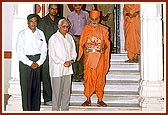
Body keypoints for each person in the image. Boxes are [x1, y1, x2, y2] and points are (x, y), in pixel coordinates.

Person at [77, 10, 110, 107]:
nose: (94, 21)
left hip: (100, 58)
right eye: (92, 19)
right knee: (88, 78)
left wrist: (104, 48)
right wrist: (84, 48)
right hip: (89, 58)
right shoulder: (86, 29)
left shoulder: (104, 29)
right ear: (90, 19)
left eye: (96, 19)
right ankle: (88, 98)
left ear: (99, 19)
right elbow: (82, 42)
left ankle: (100, 99)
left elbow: (107, 44)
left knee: (100, 79)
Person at [16, 14, 47, 111]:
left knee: (36, 89)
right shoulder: (22, 34)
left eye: (35, 21)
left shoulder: (41, 33)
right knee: (26, 89)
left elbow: (44, 50)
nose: (33, 23)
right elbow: (19, 52)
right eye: (31, 21)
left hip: (38, 62)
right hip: (25, 63)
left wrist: (39, 62)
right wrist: (30, 63)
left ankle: (35, 111)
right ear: (28, 22)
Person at [48, 18, 77, 111]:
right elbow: (53, 55)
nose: (66, 29)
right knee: (57, 93)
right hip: (57, 69)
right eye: (63, 27)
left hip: (68, 69)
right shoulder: (53, 38)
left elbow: (74, 52)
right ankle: (55, 110)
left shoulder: (69, 37)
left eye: (67, 27)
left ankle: (65, 110)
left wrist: (71, 61)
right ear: (59, 26)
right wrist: (63, 62)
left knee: (66, 92)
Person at [38, 4, 61, 105]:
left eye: (56, 9)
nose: (54, 11)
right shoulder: (43, 21)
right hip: (46, 52)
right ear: (49, 9)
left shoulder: (60, 20)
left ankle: (57, 97)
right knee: (46, 74)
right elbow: (40, 36)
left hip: (58, 52)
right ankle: (47, 98)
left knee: (57, 73)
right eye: (52, 8)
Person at [67, 4, 90, 82]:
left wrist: (84, 38)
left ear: (82, 5)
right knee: (74, 56)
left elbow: (88, 26)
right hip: (73, 38)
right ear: (73, 6)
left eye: (79, 5)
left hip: (84, 38)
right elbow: (68, 28)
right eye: (76, 5)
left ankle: (81, 75)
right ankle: (75, 75)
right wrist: (74, 38)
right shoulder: (70, 15)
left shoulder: (86, 14)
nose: (78, 7)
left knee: (82, 57)